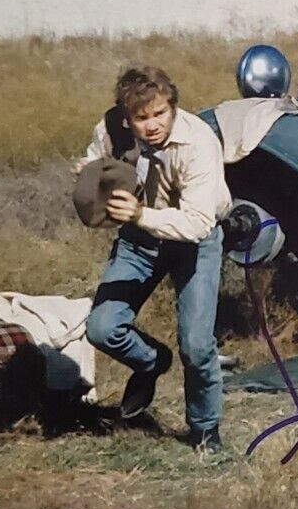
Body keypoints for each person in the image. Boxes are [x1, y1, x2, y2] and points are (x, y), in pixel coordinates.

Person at [76, 65, 233, 452]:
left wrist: (140, 215)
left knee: (197, 347)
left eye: (160, 113)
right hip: (139, 239)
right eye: (140, 118)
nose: (151, 126)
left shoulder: (198, 142)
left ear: (173, 106)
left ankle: (204, 430)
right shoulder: (112, 129)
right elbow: (98, 169)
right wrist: (88, 177)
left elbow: (197, 223)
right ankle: (150, 362)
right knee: (101, 327)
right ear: (126, 117)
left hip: (193, 240)